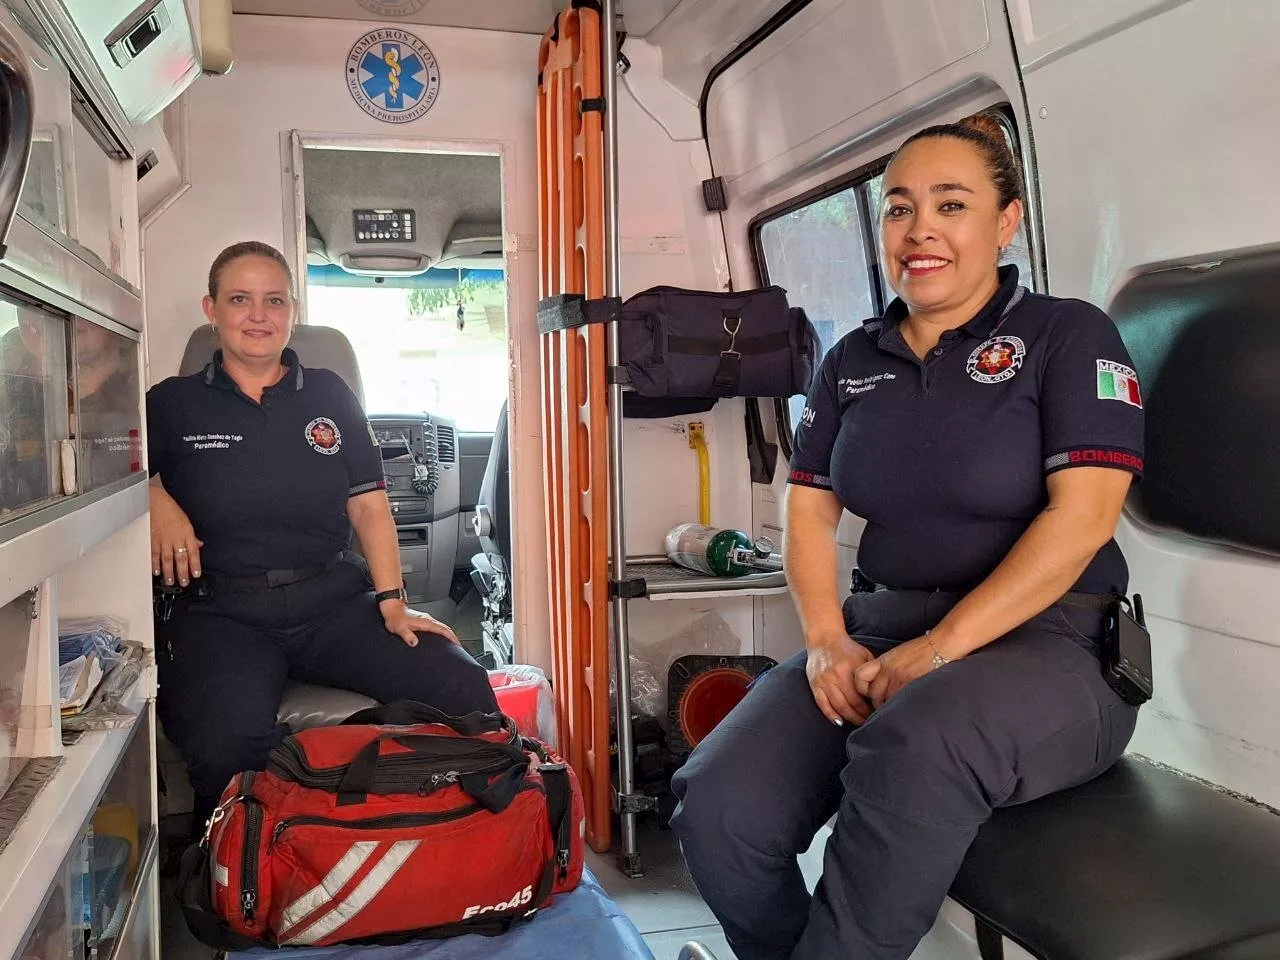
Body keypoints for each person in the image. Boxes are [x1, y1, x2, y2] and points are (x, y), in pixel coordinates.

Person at [670, 113, 1146, 960]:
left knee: (915, 741)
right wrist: (823, 643)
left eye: (951, 204)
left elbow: (1083, 520)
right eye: (899, 208)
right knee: (715, 804)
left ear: (1006, 222)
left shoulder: (1068, 336)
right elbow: (809, 507)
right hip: (876, 630)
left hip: (1056, 645)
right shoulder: (853, 356)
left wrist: (939, 649)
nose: (919, 230)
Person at [148, 241, 498, 835]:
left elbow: (368, 506)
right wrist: (154, 499)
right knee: (224, 742)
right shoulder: (171, 403)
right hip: (221, 613)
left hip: (330, 600)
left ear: (291, 311)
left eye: (273, 301)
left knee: (460, 681)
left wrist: (393, 602)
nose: (258, 315)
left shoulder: (329, 394)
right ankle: (243, 876)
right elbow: (113, 477)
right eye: (240, 299)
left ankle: (471, 832)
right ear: (212, 309)